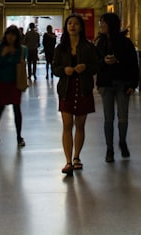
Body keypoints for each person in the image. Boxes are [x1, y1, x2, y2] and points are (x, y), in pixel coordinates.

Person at [52, 14, 98, 175]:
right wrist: (64, 70)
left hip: (83, 87)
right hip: (66, 88)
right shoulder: (61, 48)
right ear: (66, 27)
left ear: (81, 27)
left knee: (80, 124)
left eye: (76, 24)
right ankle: (68, 161)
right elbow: (55, 68)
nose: (72, 26)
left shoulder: (88, 47)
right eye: (69, 23)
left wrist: (85, 67)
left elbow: (95, 66)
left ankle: (77, 157)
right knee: (66, 124)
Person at [95, 12, 139, 162]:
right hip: (106, 85)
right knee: (108, 118)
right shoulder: (99, 43)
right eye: (100, 23)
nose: (101, 26)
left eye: (104, 23)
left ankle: (122, 141)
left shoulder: (125, 43)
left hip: (122, 83)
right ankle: (109, 149)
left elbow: (133, 63)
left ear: (111, 25)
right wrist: (103, 62)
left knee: (123, 117)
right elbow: (95, 63)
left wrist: (133, 84)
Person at [0, 25, 26, 147]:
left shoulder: (20, 49)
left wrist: (11, 56)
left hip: (16, 82)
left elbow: (19, 62)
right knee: (1, 106)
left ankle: (19, 136)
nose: (11, 37)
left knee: (17, 108)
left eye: (13, 35)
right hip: (2, 82)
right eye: (9, 34)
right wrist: (4, 55)